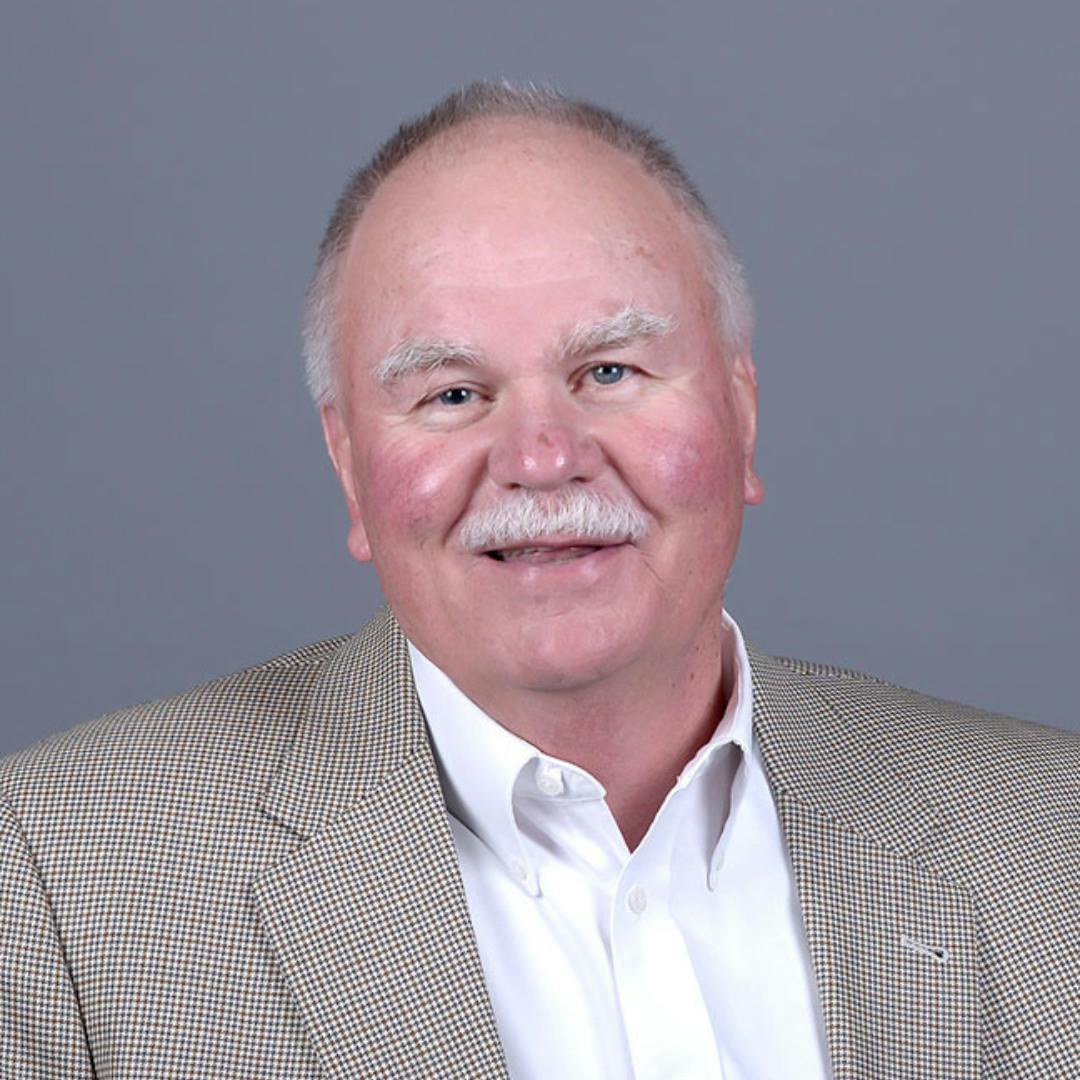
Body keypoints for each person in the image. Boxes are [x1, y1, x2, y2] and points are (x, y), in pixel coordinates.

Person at [1, 82, 1077, 1080]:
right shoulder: (58, 882)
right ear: (348, 465)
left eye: (609, 371)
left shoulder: (1051, 839)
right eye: (453, 394)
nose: (543, 457)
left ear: (742, 413)